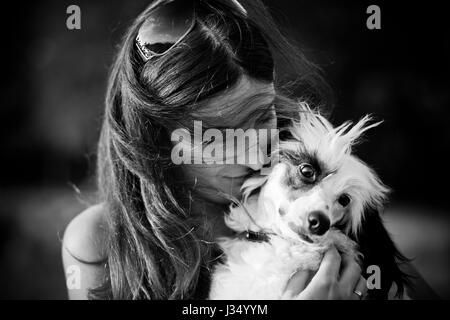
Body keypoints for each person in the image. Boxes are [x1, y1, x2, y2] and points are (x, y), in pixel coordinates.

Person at [62, 0, 437, 300]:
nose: (256, 153)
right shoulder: (101, 244)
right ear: (159, 138)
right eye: (219, 136)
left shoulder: (319, 190)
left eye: (263, 115)